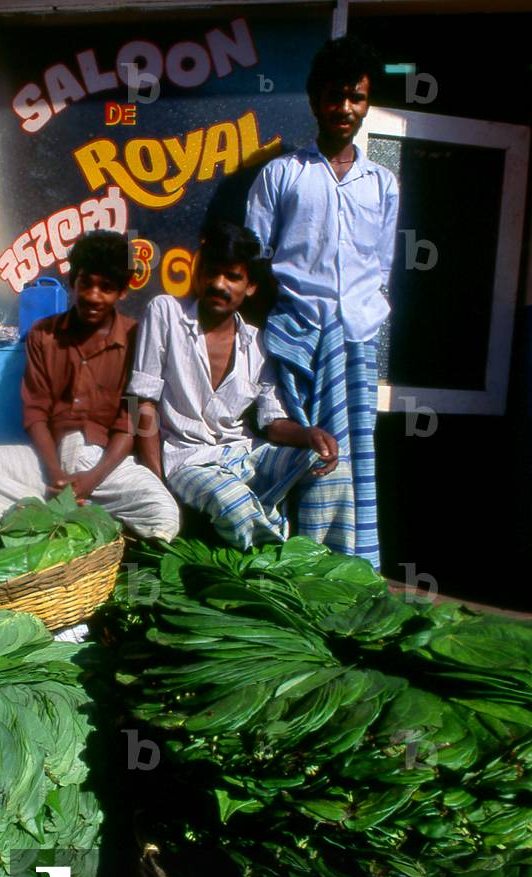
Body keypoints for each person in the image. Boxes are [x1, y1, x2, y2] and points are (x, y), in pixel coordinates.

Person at [245, 35, 399, 570]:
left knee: (353, 457)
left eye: (356, 97)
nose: (345, 109)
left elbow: (379, 266)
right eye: (335, 96)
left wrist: (355, 319)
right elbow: (255, 259)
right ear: (315, 101)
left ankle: (353, 566)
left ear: (367, 102)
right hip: (294, 336)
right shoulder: (282, 175)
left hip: (356, 339)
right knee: (308, 454)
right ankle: (304, 565)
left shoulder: (382, 184)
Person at [0, 230, 180, 544]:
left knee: (163, 514)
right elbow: (35, 412)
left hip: (104, 465)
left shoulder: (136, 338)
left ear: (122, 292)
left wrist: (91, 480)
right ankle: (2, 567)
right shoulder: (44, 335)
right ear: (72, 282)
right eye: (85, 283)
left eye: (106, 288)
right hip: (46, 462)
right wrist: (55, 475)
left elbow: (128, 422)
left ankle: (85, 548)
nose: (93, 295)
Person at [129, 222, 350, 550]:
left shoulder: (257, 344)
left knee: (334, 468)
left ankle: (322, 566)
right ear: (199, 274)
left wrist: (309, 435)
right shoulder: (165, 313)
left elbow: (270, 423)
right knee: (232, 502)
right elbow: (142, 403)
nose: (219, 285)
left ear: (250, 287)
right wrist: (157, 483)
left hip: (242, 454)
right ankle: (280, 566)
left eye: (232, 277)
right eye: (212, 273)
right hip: (187, 461)